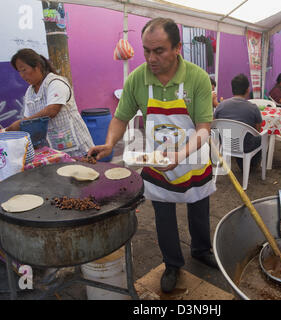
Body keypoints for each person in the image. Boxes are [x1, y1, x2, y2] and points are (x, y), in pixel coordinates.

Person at [88, 18, 217, 293]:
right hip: (158, 159)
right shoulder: (137, 78)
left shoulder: (197, 78)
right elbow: (121, 117)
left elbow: (204, 128)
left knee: (198, 207)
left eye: (159, 50)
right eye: (146, 50)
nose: (151, 57)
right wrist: (110, 143)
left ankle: (202, 250)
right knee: (163, 213)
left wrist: (181, 154)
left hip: (191, 155)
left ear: (177, 48)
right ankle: (172, 263)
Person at [4, 48, 94, 157]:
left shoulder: (55, 83)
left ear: (37, 66)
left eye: (24, 70)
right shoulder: (30, 91)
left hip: (77, 146)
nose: (22, 75)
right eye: (19, 72)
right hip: (54, 149)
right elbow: (28, 118)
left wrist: (20, 123)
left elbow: (52, 110)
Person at [214, 73, 262, 171]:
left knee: (239, 137)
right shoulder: (253, 108)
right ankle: (253, 165)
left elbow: (214, 124)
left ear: (232, 89)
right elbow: (257, 131)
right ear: (248, 90)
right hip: (246, 146)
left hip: (226, 143)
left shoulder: (221, 106)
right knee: (261, 138)